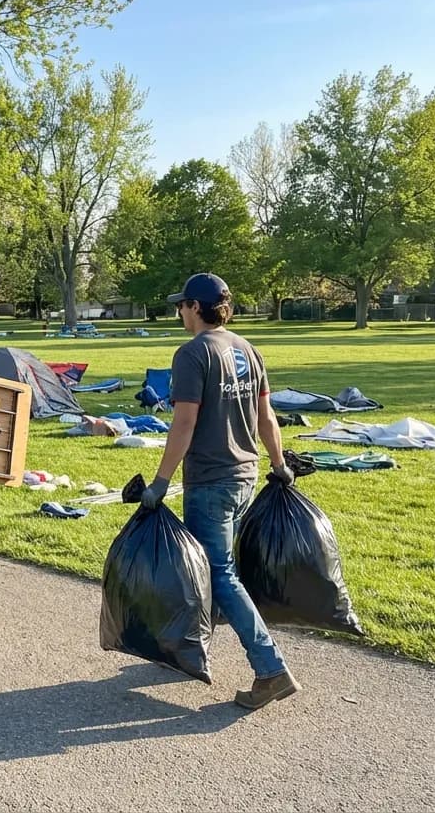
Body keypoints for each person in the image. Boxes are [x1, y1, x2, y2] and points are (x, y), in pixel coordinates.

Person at [140, 273, 299, 710]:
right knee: (219, 570)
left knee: (220, 573)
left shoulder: (192, 354)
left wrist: (160, 481)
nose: (179, 312)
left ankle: (270, 669)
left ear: (195, 307)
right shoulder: (248, 350)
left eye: (181, 305)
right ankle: (193, 645)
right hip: (245, 475)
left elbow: (185, 422)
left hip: (210, 479)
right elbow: (267, 417)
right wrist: (279, 465)